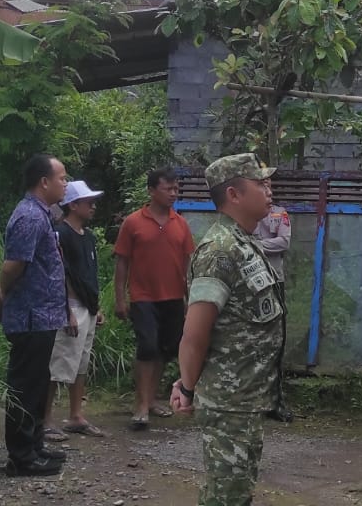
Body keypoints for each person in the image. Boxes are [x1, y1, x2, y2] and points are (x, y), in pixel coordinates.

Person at [169, 153, 286, 506]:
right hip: (229, 401)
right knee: (227, 495)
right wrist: (187, 387)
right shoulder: (220, 251)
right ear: (233, 194)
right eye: (260, 183)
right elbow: (195, 333)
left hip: (246, 398)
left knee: (236, 491)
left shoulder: (244, 242)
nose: (269, 190)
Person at [0, 154, 70, 477]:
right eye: (61, 177)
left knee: (36, 382)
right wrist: (1, 296)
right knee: (24, 385)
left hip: (43, 316)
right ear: (43, 182)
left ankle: (34, 447)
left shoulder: (41, 214)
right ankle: (21, 457)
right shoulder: (30, 217)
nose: (65, 183)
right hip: (31, 316)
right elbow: (13, 266)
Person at [114, 167, 197, 431]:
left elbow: (186, 265)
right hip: (143, 296)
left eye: (176, 189)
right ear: (151, 190)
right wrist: (120, 299)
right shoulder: (133, 222)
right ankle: (140, 405)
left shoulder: (180, 224)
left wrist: (189, 300)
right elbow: (122, 263)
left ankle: (151, 400)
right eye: (167, 188)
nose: (173, 193)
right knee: (147, 346)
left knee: (166, 348)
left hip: (172, 297)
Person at [44, 180, 106, 441]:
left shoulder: (88, 236)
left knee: (81, 363)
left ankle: (76, 415)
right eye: (87, 202)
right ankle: (45, 419)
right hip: (69, 307)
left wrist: (96, 306)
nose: (92, 206)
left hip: (87, 308)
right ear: (72, 205)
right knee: (58, 365)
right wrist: (66, 309)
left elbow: (88, 274)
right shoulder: (61, 234)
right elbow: (60, 274)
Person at [252, 203, 292, 277]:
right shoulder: (246, 211)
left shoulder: (280, 212)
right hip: (253, 274)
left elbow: (284, 242)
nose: (268, 193)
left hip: (275, 274)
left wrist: (253, 245)